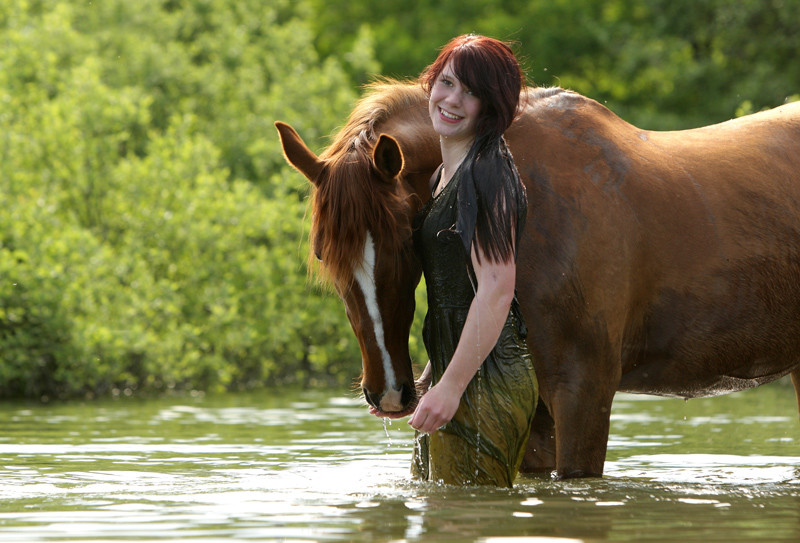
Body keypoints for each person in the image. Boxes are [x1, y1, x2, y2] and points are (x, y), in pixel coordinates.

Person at [397, 34, 538, 487]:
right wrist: (431, 379)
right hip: (458, 372)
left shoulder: (488, 173)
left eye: (473, 92)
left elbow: (496, 290)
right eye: (447, 83)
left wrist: (451, 387)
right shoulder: (445, 174)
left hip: (490, 379)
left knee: (464, 523)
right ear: (431, 83)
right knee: (437, 513)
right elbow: (458, 293)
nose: (453, 100)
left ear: (493, 105)